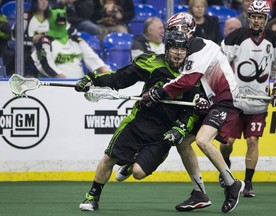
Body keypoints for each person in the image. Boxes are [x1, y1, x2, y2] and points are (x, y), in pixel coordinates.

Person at [74, 31, 212, 212]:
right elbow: (119, 78)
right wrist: (92, 79)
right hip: (138, 123)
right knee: (109, 158)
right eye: (174, 48)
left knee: (138, 173)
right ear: (167, 48)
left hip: (164, 133)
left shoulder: (192, 73)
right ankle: (92, 197)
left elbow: (192, 110)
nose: (178, 53)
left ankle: (130, 165)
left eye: (182, 49)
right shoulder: (152, 62)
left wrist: (180, 130)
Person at [140, 11, 245, 213]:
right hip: (212, 100)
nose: (170, 35)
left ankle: (232, 184)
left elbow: (187, 80)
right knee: (183, 141)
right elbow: (192, 81)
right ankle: (199, 194)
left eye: (173, 30)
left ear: (186, 30)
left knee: (203, 141)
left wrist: (158, 92)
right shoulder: (191, 48)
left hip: (225, 99)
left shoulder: (199, 47)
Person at [219, 0, 276, 197]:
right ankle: (226, 165)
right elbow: (219, 63)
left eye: (260, 17)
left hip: (258, 102)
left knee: (252, 141)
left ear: (266, 19)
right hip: (235, 101)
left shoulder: (274, 40)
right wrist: (224, 86)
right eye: (253, 16)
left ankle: (248, 183)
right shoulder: (235, 37)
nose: (256, 21)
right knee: (227, 143)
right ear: (248, 17)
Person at [31, 6, 109, 78]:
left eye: (62, 19)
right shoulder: (44, 42)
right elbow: (45, 65)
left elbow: (93, 59)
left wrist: (108, 74)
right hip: (55, 85)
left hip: (79, 85)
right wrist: (65, 80)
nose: (61, 21)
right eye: (58, 19)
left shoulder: (76, 40)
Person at [12, 0, 50, 77]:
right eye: (41, 0)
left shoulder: (51, 16)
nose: (44, 2)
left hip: (51, 50)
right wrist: (31, 39)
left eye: (46, 0)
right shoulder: (26, 16)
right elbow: (14, 36)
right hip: (31, 52)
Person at [0, 0, 15, 76]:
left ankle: (9, 77)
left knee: (11, 55)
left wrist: (4, 27)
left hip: (2, 43)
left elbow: (8, 36)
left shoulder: (3, 17)